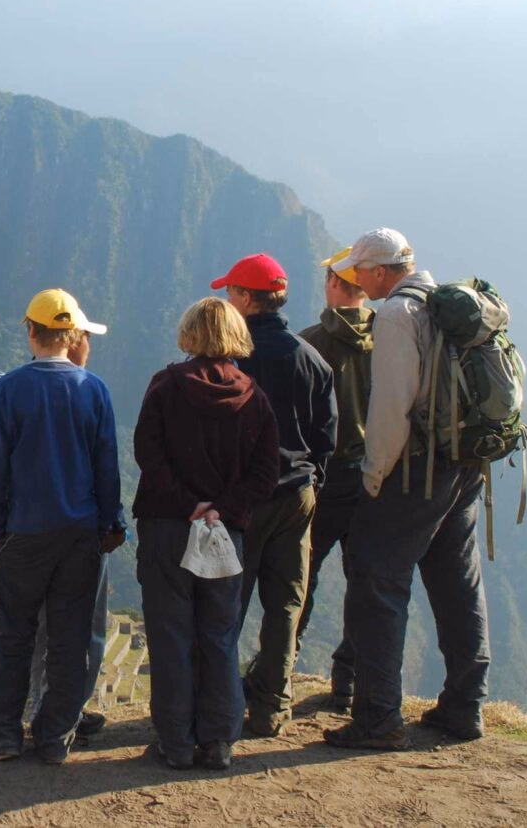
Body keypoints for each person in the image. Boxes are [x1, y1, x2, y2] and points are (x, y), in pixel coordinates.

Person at [322, 228, 491, 751]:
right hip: (464, 464)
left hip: (416, 470)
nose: (356, 281)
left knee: (376, 581)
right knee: (456, 581)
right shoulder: (442, 304)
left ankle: (376, 719)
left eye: (360, 272)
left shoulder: (396, 316)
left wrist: (374, 477)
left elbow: (391, 407)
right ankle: (465, 707)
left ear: (379, 271)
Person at [0, 288, 123, 765]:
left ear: (31, 332)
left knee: (13, 635)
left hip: (24, 533)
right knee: (70, 636)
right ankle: (55, 737)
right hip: (80, 536)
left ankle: (2, 737)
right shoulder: (93, 390)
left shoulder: (10, 390)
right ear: (72, 335)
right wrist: (111, 523)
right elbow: (107, 468)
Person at [132, 297, 279, 770]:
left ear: (190, 333)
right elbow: (265, 473)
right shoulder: (254, 398)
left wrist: (186, 504)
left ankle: (175, 742)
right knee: (219, 633)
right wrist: (222, 510)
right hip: (223, 533)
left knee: (170, 632)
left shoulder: (167, 386)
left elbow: (147, 454)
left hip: (169, 529)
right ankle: (219, 741)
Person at [217, 253, 337, 737]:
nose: (228, 300)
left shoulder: (231, 361)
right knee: (286, 604)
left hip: (244, 500)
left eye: (231, 293)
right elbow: (327, 437)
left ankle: (220, 705)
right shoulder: (312, 359)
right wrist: (308, 482)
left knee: (228, 602)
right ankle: (271, 706)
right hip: (297, 496)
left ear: (247, 299)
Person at [295, 248, 375, 712]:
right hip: (375, 479)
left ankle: (280, 669)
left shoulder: (310, 345)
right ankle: (349, 681)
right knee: (365, 581)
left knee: (301, 577)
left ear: (332, 284)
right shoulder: (392, 340)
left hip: (323, 478)